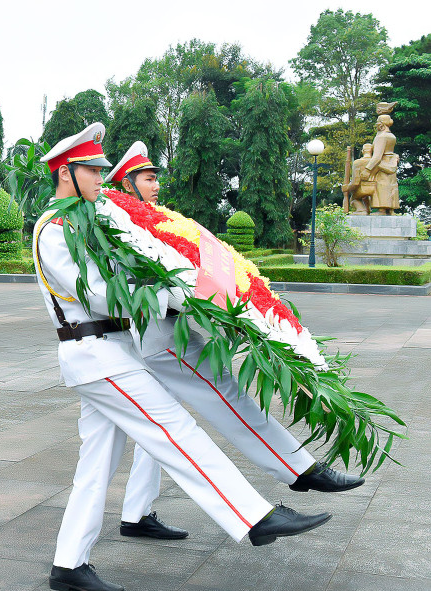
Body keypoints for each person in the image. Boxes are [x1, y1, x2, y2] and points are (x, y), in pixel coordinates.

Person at [37, 125, 332, 591]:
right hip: (96, 354)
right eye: (91, 170)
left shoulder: (86, 222)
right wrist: (173, 294)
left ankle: (68, 564)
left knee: (94, 466)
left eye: (97, 168)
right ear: (65, 173)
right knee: (176, 431)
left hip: (111, 352)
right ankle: (254, 517)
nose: (99, 177)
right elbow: (98, 296)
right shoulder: (55, 231)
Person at [104, 144, 364, 543]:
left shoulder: (150, 220)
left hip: (147, 340)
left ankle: (136, 513)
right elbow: (131, 287)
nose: (156, 185)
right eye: (148, 178)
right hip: (157, 339)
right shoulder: (120, 224)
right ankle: (300, 469)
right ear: (127, 183)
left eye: (155, 177)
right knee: (226, 394)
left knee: (155, 427)